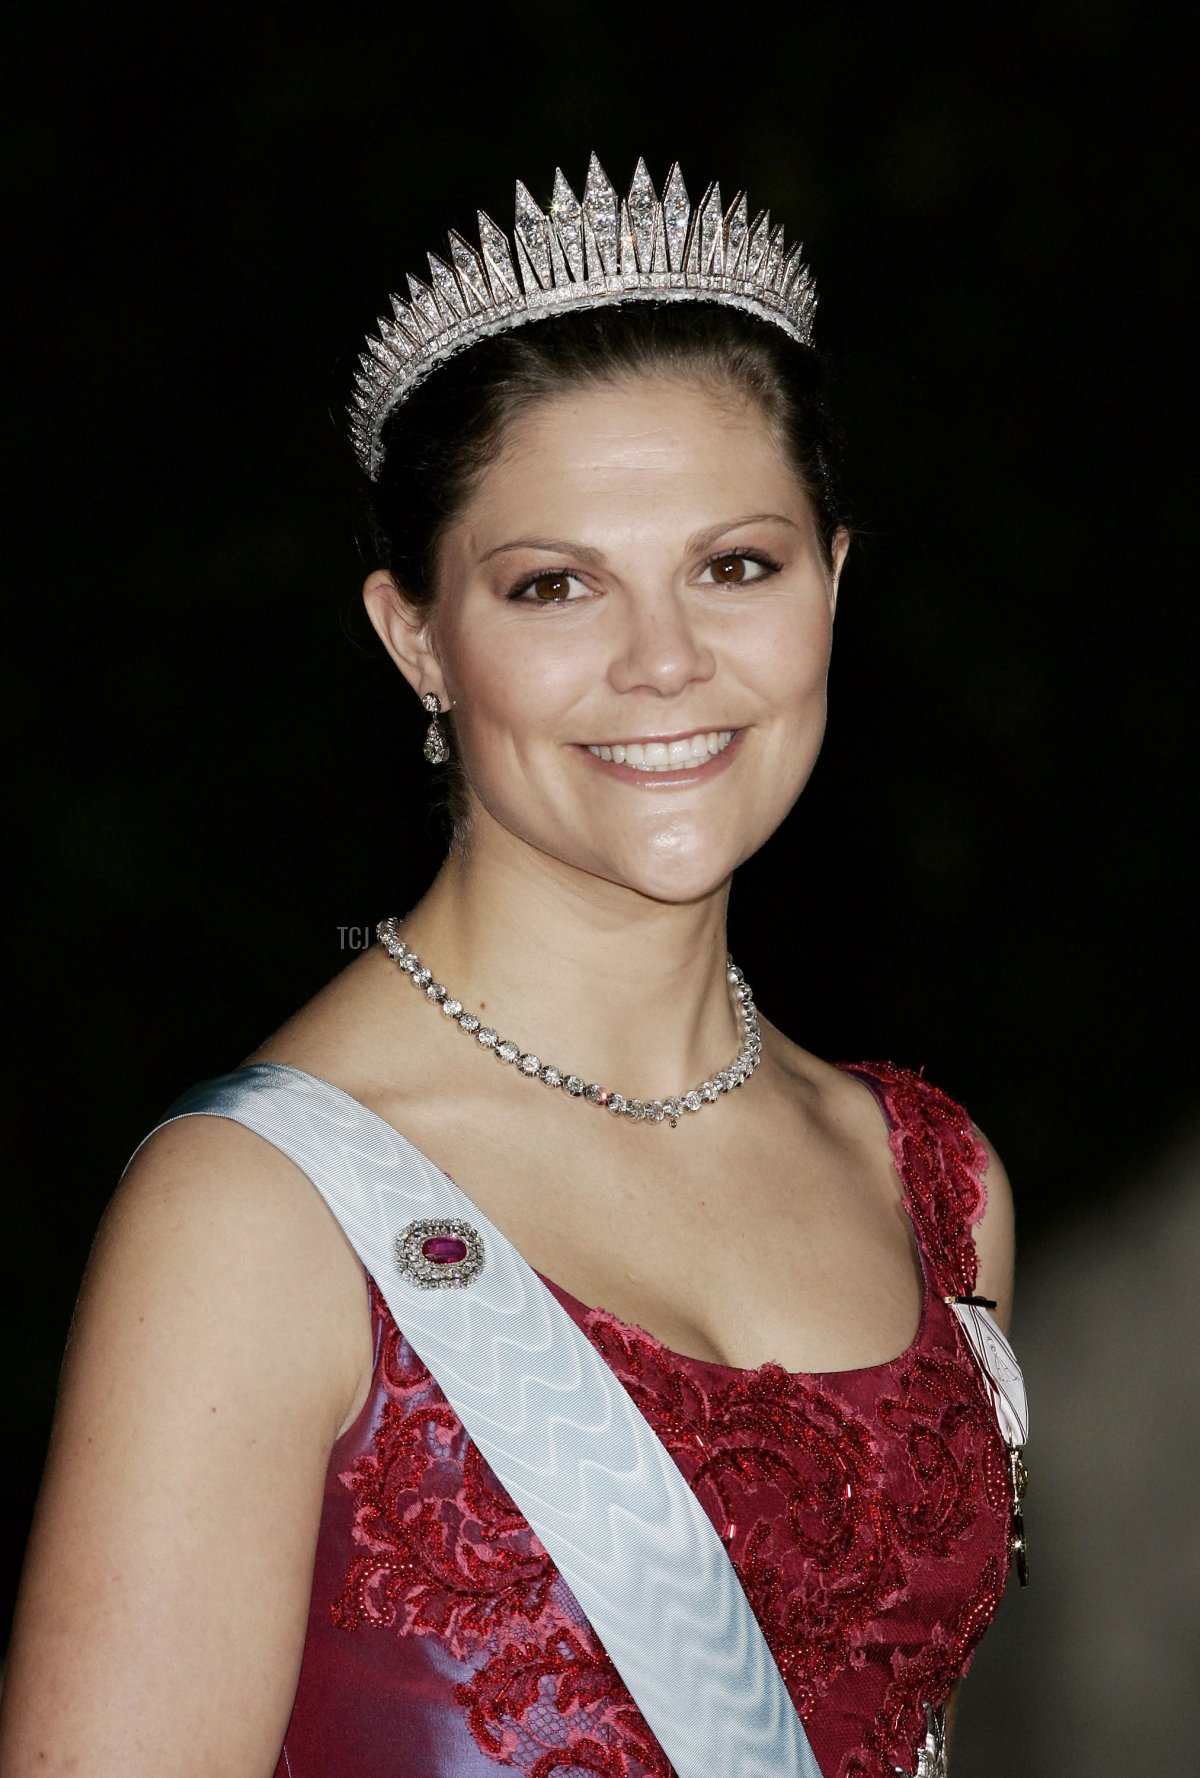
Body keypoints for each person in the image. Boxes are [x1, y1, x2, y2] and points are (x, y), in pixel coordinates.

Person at [0, 156, 1025, 1778]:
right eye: (554, 586)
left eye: (735, 565)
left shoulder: (932, 1179)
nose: (665, 659)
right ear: (416, 636)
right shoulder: (257, 1214)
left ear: (834, 579)